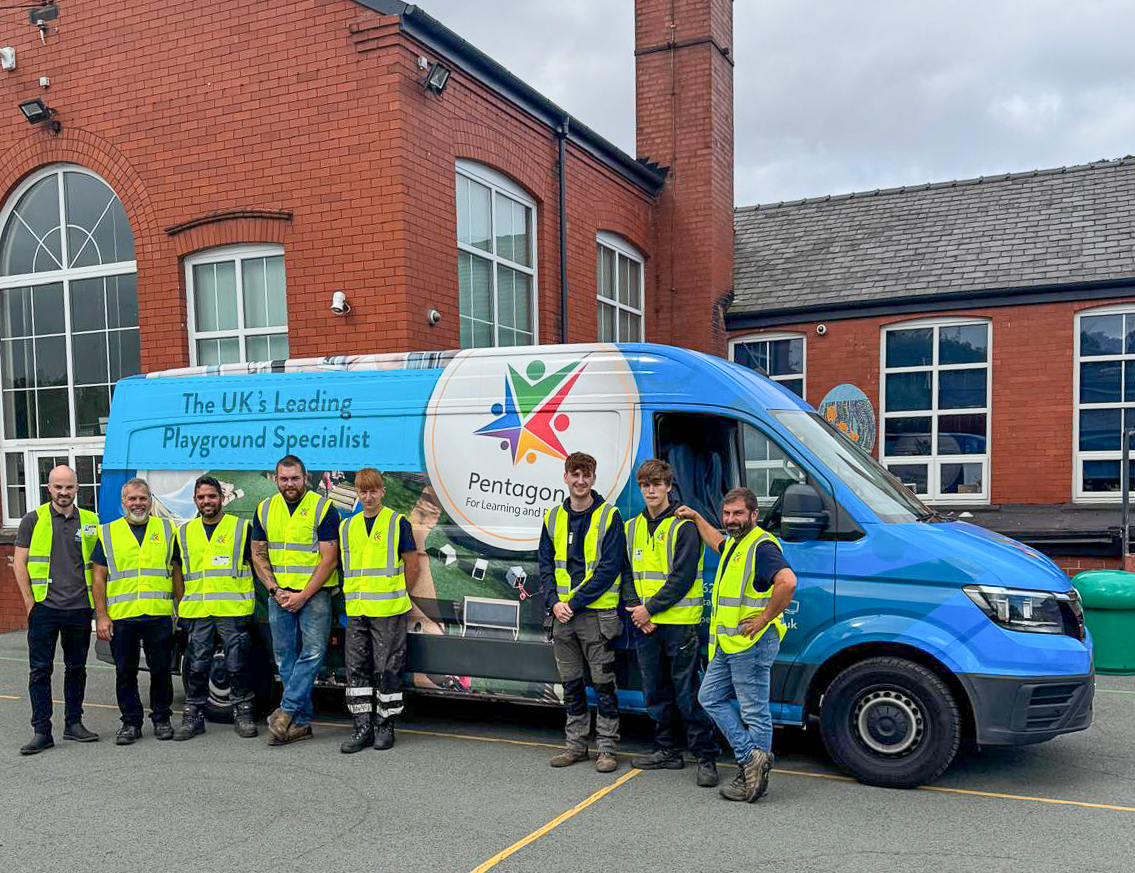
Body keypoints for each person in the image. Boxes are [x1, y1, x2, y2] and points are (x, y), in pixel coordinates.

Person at [677, 487, 797, 802]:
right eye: (727, 514)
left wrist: (763, 619)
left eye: (738, 514)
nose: (731, 520)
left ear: (754, 515)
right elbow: (715, 541)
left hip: (751, 643)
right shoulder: (734, 543)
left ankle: (751, 779)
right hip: (731, 645)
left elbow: (788, 582)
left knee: (754, 711)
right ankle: (750, 757)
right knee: (709, 696)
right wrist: (696, 516)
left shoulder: (761, 545)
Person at [621, 459, 719, 786]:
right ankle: (667, 751)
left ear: (668, 486)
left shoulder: (684, 526)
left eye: (657, 484)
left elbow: (682, 577)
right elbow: (627, 574)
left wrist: (648, 610)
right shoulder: (632, 527)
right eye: (645, 485)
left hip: (678, 624)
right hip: (645, 624)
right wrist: (637, 609)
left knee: (688, 693)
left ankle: (706, 756)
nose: (651, 490)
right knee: (655, 693)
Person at [538, 452, 626, 773]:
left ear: (593, 478)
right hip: (561, 618)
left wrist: (572, 603)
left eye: (585, 475)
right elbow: (545, 567)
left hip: (595, 617)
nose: (580, 481)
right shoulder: (552, 518)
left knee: (604, 686)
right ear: (565, 478)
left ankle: (607, 749)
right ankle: (575, 746)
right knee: (571, 684)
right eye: (574, 474)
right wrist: (553, 603)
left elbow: (608, 569)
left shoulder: (608, 516)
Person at [251, 455, 340, 745]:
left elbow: (329, 560)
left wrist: (303, 595)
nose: (290, 484)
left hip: (314, 596)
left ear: (305, 478)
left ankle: (287, 711)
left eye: (295, 478)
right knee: (284, 658)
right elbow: (258, 553)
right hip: (280, 595)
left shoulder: (323, 508)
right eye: (284, 479)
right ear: (276, 479)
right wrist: (276, 591)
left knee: (312, 654)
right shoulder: (264, 509)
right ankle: (300, 723)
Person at [13, 465, 102, 755]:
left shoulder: (91, 520)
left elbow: (98, 566)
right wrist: (30, 603)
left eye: (69, 487)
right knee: (40, 671)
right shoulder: (32, 520)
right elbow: (19, 563)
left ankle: (73, 724)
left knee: (77, 669)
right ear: (48, 489)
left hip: (78, 608)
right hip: (45, 608)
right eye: (58, 487)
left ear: (78, 489)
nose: (64, 493)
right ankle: (42, 731)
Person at [91, 478, 183, 745]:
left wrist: (181, 607)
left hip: (158, 614)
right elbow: (98, 577)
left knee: (161, 671)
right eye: (132, 499)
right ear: (123, 503)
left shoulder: (166, 530)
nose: (138, 503)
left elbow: (176, 570)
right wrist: (102, 616)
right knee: (125, 672)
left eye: (143, 498)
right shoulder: (108, 533)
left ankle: (162, 719)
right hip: (122, 617)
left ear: (150, 500)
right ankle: (130, 723)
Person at [338, 468, 420, 753]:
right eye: (363, 491)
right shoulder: (347, 527)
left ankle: (385, 725)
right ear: (357, 493)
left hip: (388, 610)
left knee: (387, 669)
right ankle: (362, 726)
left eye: (374, 491)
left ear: (383, 491)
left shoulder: (398, 523)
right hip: (357, 610)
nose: (368, 497)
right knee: (356, 670)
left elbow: (412, 565)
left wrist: (398, 596)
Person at [172, 475, 259, 741]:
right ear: (195, 500)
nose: (206, 501)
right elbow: (177, 569)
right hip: (198, 612)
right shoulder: (184, 532)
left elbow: (257, 564)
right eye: (201, 497)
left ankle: (243, 714)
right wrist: (181, 602)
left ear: (222, 498)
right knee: (197, 666)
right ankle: (193, 717)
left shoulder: (242, 528)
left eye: (211, 496)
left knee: (237, 664)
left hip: (233, 610)